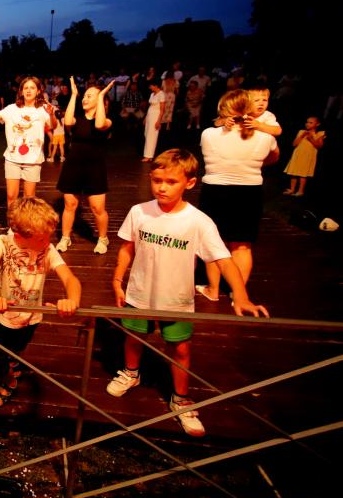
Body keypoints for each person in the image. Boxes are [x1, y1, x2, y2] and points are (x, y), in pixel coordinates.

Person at [110, 149, 269, 437]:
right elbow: (127, 247)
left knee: (180, 349)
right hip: (139, 293)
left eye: (171, 181)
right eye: (157, 180)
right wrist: (118, 278)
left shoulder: (198, 222)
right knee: (133, 337)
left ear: (190, 183)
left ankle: (181, 398)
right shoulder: (139, 211)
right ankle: (131, 373)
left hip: (177, 300)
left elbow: (223, 259)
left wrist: (241, 295)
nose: (162, 187)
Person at [0, 197, 80, 408]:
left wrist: (72, 300)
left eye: (49, 236)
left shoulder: (47, 250)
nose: (48, 242)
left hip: (31, 317)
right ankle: (9, 378)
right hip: (1, 313)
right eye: (42, 238)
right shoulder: (2, 242)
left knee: (18, 346)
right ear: (19, 236)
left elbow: (70, 279)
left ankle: (13, 360)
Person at [196, 90, 280, 302]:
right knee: (242, 246)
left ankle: (213, 289)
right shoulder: (265, 137)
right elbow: (274, 157)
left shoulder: (209, 134)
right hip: (249, 193)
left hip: (215, 192)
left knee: (213, 242)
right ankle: (237, 293)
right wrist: (252, 164)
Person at [56, 77, 115, 255]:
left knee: (97, 208)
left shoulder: (107, 121)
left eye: (90, 96)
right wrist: (74, 95)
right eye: (85, 95)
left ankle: (103, 238)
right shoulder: (78, 120)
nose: (85, 98)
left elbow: (98, 124)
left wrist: (102, 96)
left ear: (100, 101)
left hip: (94, 168)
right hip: (73, 166)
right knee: (70, 205)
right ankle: (65, 237)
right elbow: (67, 121)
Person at [0, 76, 54, 206]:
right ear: (21, 91)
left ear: (38, 91)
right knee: (11, 196)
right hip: (12, 159)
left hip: (33, 160)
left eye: (32, 88)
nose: (28, 90)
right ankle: (12, 220)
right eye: (26, 88)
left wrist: (51, 114)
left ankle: (26, 220)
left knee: (29, 198)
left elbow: (52, 126)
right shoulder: (11, 109)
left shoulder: (43, 109)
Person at [283, 116, 325, 197]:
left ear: (317, 124)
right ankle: (292, 189)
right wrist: (302, 136)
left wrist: (311, 139)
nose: (307, 124)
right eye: (307, 122)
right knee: (293, 173)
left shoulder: (320, 134)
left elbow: (319, 146)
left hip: (307, 156)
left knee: (303, 174)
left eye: (311, 123)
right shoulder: (301, 131)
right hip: (298, 155)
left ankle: (300, 191)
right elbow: (294, 144)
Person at [142, 79, 166, 162]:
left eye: (151, 86)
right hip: (150, 115)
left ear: (156, 86)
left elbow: (162, 110)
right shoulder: (152, 94)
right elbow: (150, 106)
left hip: (156, 116)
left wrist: (159, 121)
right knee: (147, 134)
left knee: (152, 135)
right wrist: (146, 117)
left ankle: (148, 156)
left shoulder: (161, 94)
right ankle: (149, 155)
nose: (150, 87)